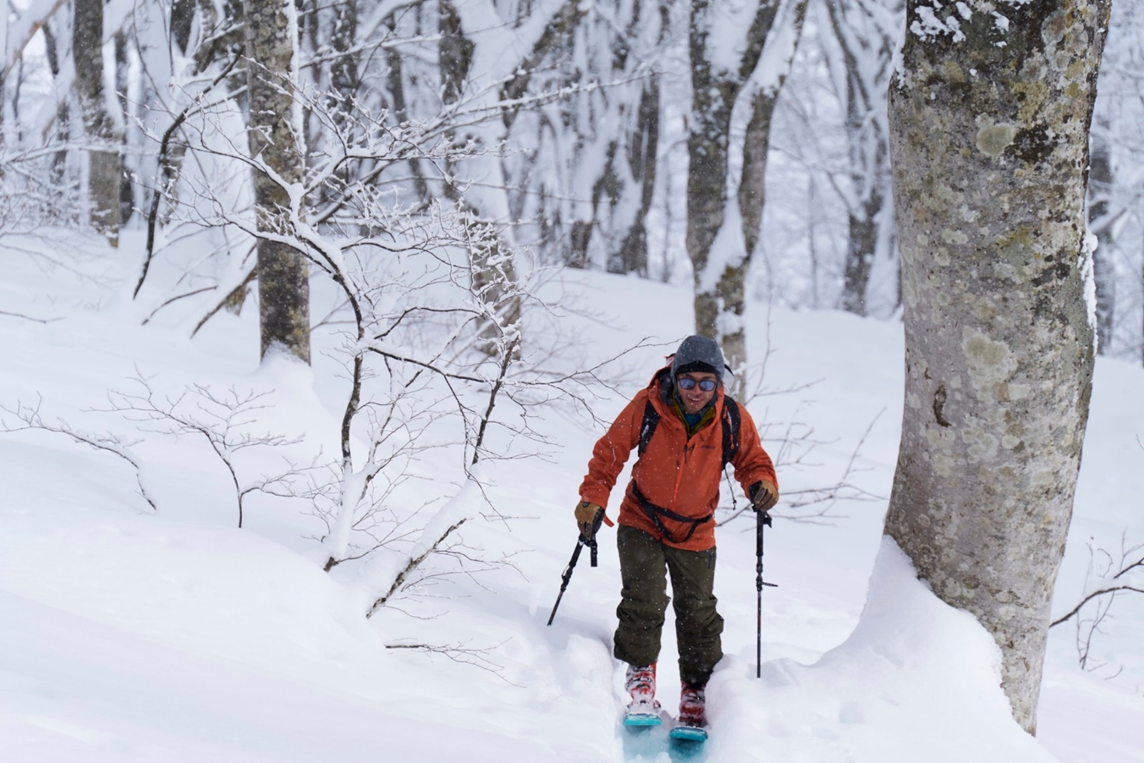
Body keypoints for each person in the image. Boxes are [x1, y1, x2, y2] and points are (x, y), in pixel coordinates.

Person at [574, 335, 778, 729]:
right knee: (644, 598)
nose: (696, 392)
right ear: (674, 377)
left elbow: (754, 460)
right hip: (642, 518)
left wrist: (760, 484)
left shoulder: (732, 417)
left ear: (719, 383)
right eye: (688, 382)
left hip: (696, 529)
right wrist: (593, 498)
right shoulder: (648, 405)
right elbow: (609, 453)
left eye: (706, 383)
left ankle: (696, 689)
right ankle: (640, 674)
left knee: (698, 612)